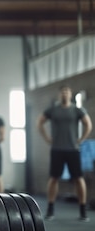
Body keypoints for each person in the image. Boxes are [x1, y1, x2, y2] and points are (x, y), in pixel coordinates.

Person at [37, 85, 92, 221]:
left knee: (78, 178)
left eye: (67, 91)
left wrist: (81, 140)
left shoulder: (77, 110)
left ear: (70, 94)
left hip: (73, 149)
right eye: (62, 92)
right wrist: (46, 138)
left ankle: (82, 210)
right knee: (53, 178)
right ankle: (50, 209)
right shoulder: (53, 110)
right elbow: (40, 122)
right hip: (57, 149)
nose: (65, 94)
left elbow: (88, 125)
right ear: (59, 94)